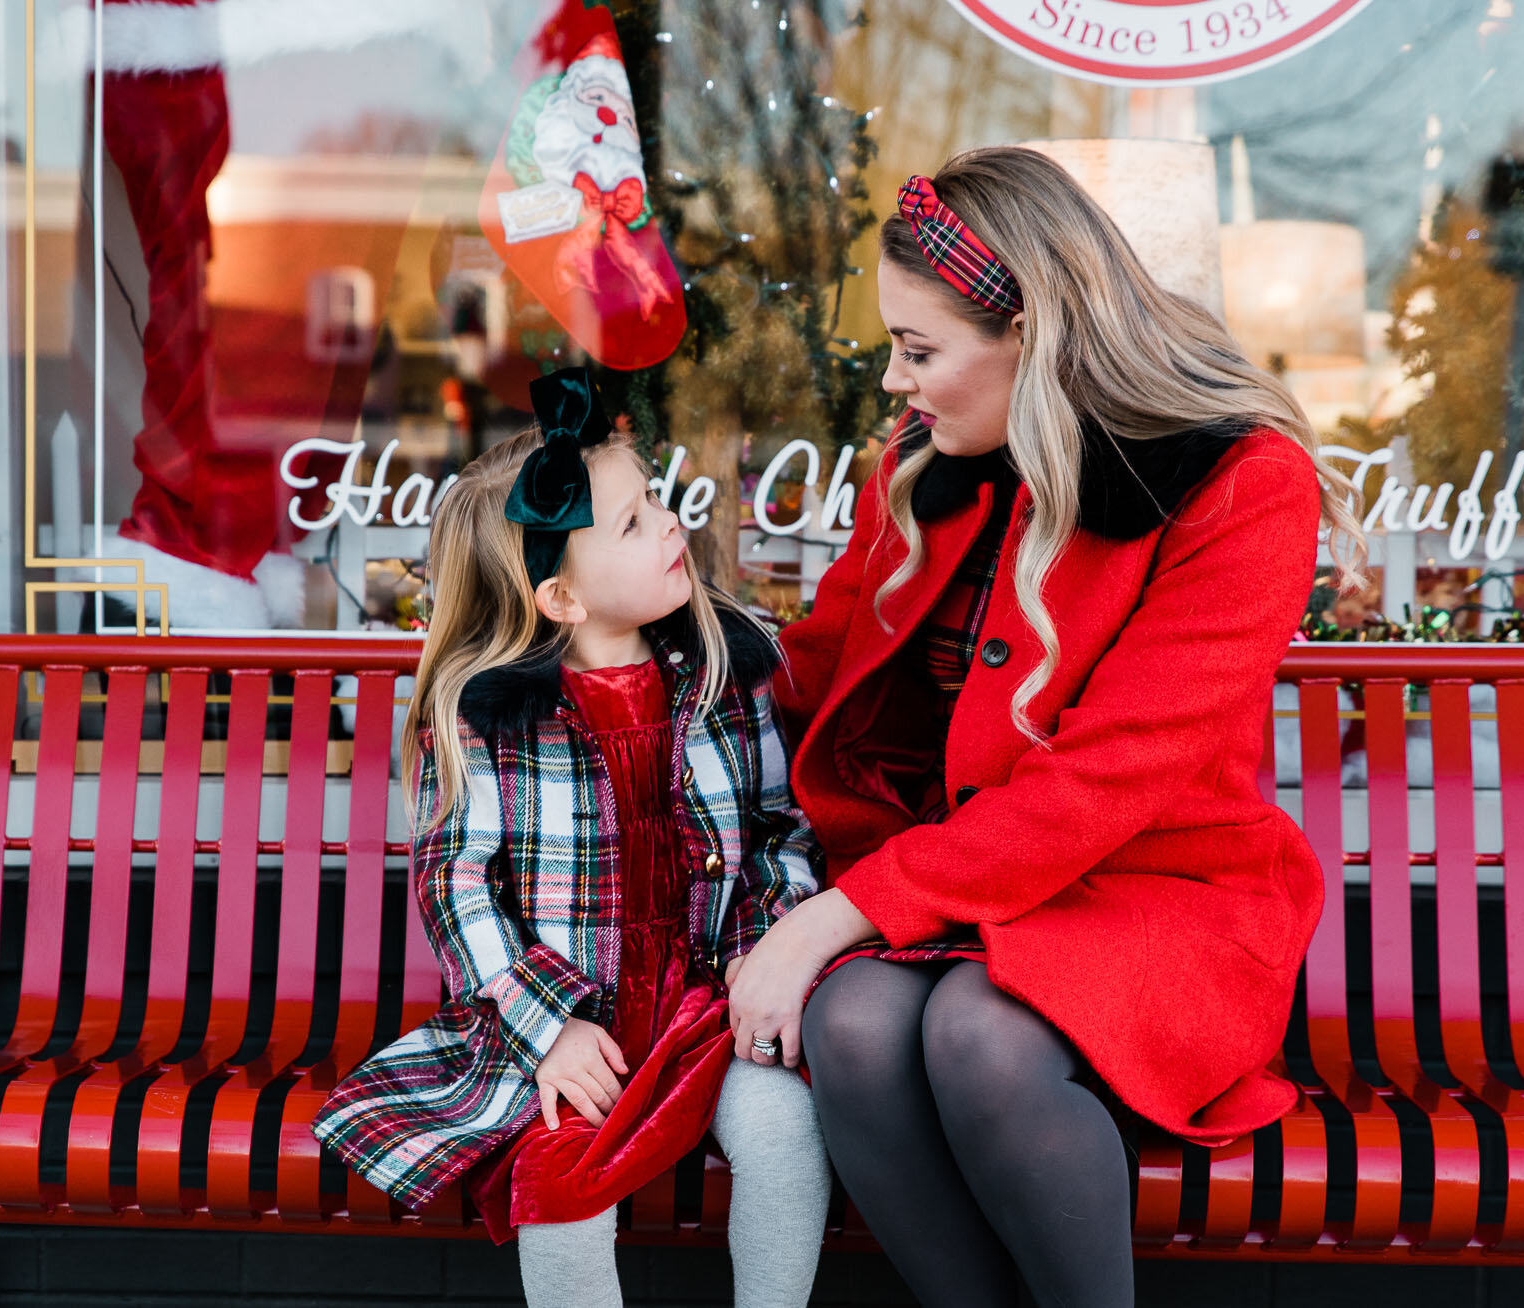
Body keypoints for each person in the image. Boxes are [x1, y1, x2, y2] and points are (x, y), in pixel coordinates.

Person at [725, 148, 1369, 1306]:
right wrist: (622, 675)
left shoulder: (1238, 481)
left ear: (1035, 333)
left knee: (984, 1040)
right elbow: (816, 670)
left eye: (918, 351)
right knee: (861, 1027)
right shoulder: (927, 465)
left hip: (1158, 891)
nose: (892, 381)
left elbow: (1111, 778)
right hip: (961, 885)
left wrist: (829, 914)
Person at [313, 369, 830, 1308]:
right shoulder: (486, 719)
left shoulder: (722, 669)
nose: (671, 524)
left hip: (711, 1006)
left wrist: (767, 961)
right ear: (560, 599)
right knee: (555, 1183)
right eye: (633, 524)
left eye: (656, 501)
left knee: (787, 1134)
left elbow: (775, 832)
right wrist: (548, 1031)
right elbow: (457, 888)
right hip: (570, 1027)